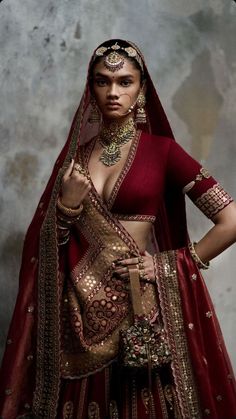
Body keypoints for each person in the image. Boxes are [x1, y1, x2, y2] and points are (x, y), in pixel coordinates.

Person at [0, 39, 236, 419]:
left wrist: (168, 264)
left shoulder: (164, 153)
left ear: (141, 89)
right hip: (76, 318)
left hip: (140, 312)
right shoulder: (75, 159)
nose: (113, 92)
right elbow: (48, 245)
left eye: (125, 81)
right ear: (90, 88)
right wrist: (66, 207)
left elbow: (232, 220)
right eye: (102, 81)